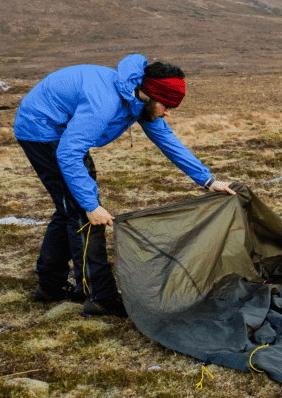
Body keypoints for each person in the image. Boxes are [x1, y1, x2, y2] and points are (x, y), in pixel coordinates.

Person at [14, 54, 236, 317]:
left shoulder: (138, 98)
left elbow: (168, 141)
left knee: (70, 205)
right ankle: (100, 298)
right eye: (166, 106)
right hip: (42, 130)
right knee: (83, 214)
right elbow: (68, 153)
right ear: (151, 94)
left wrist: (207, 180)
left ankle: (49, 287)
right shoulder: (106, 102)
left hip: (65, 131)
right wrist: (91, 206)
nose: (168, 112)